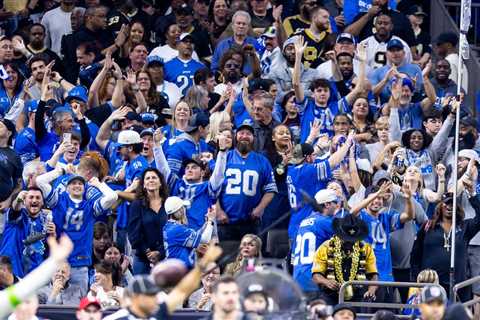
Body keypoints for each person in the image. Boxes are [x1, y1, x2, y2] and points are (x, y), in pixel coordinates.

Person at [35, 171, 117, 296]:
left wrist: (99, 184)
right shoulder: (58, 200)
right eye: (73, 183)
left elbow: (113, 197)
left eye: (80, 183)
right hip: (59, 264)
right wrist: (60, 171)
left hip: (80, 263)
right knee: (55, 304)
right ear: (67, 187)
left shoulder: (90, 207)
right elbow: (39, 181)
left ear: (85, 188)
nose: (77, 186)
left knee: (77, 306)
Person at [103, 244, 222, 319]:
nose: (154, 299)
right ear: (136, 298)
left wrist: (205, 263)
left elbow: (181, 291)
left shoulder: (154, 314)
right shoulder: (118, 318)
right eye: (149, 295)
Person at [411, 192, 480, 301]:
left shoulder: (464, 227)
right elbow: (415, 254)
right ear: (440, 206)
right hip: (431, 284)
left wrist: (472, 195)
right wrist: (416, 280)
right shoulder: (428, 226)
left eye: (453, 204)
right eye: (446, 203)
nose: (449, 207)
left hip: (458, 286)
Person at [217, 120, 277, 241]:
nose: (244, 136)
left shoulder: (262, 161)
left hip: (251, 223)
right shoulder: (224, 157)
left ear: (253, 138)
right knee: (226, 259)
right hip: (225, 222)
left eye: (248, 134)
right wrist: (218, 211)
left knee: (251, 259)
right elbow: (212, 188)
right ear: (235, 136)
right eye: (241, 133)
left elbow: (270, 189)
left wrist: (260, 208)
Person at [312, 214, 378, 305]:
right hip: (330, 295)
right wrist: (326, 282)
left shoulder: (366, 248)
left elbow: (373, 275)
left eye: (353, 240)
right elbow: (316, 276)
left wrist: (371, 290)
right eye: (346, 239)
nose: (349, 242)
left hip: (357, 295)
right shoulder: (325, 247)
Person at [292, 189, 338, 300]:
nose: (337, 206)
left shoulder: (304, 222)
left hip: (298, 278)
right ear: (327, 204)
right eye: (335, 202)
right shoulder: (325, 222)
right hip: (314, 280)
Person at [0, 188, 55, 277]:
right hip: (10, 271)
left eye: (38, 198)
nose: (34, 200)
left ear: (42, 202)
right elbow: (15, 209)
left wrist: (53, 235)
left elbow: (46, 252)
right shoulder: (17, 216)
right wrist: (18, 200)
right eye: (31, 197)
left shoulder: (45, 222)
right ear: (24, 201)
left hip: (32, 276)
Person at [128, 168, 168, 275]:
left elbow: (175, 230)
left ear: (160, 183)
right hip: (143, 260)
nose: (151, 180)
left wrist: (160, 252)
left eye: (154, 177)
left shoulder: (169, 203)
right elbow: (134, 235)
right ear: (144, 185)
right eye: (147, 178)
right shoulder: (137, 205)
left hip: (167, 257)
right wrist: (149, 253)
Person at [163, 196, 215, 269]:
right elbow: (205, 239)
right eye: (183, 207)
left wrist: (206, 223)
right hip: (180, 271)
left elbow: (196, 236)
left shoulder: (169, 227)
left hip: (175, 268)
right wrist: (211, 221)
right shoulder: (177, 229)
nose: (184, 210)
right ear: (180, 211)